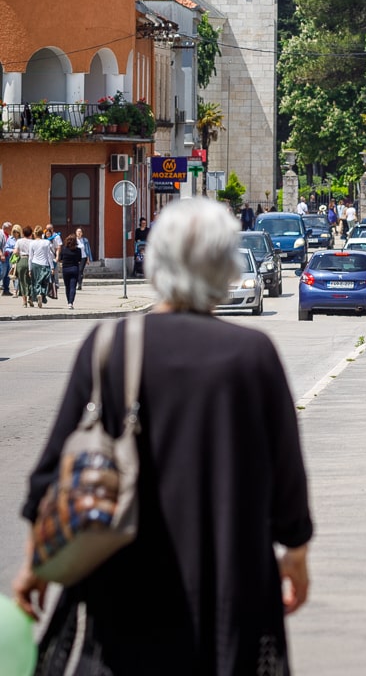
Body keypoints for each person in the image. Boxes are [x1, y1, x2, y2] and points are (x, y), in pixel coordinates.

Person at [13, 197, 313, 675]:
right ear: (224, 267)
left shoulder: (109, 346)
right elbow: (287, 485)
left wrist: (36, 562)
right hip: (228, 594)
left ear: (156, 263)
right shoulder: (252, 356)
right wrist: (295, 553)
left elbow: (51, 473)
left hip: (120, 590)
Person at [29, 226, 56, 309]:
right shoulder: (46, 242)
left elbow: (30, 257)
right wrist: (52, 267)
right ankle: (42, 294)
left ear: (34, 234)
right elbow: (49, 256)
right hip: (44, 264)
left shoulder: (32, 243)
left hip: (35, 264)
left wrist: (29, 269)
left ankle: (37, 294)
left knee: (35, 282)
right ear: (42, 234)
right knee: (44, 282)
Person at [59, 233, 84, 309]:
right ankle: (71, 302)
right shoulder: (78, 250)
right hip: (74, 269)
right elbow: (79, 260)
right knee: (73, 287)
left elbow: (60, 259)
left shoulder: (64, 250)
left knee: (67, 287)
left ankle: (68, 302)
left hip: (65, 269)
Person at [15, 225, 33, 308]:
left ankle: (24, 301)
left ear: (23, 233)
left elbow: (16, 252)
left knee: (22, 281)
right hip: (30, 260)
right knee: (31, 281)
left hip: (21, 260)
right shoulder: (32, 242)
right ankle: (31, 298)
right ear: (31, 234)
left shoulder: (19, 241)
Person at [0, 221, 13, 295]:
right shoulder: (1, 234)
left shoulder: (8, 235)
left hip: (8, 256)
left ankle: (6, 290)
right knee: (2, 272)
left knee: (8, 274)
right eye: (9, 228)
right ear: (5, 228)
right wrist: (1, 255)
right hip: (2, 256)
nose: (10, 230)